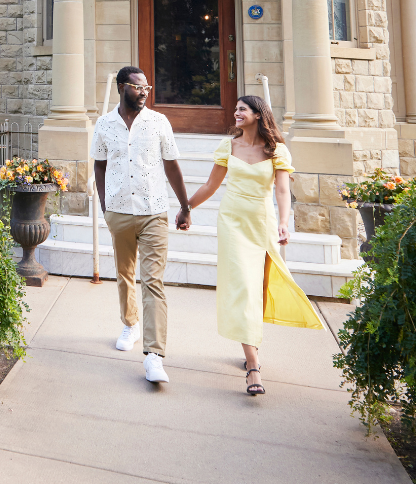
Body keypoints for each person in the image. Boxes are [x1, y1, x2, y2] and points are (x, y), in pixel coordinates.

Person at [176, 95, 323, 395]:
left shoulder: (276, 151)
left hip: (262, 223)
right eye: (236, 109)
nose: (236, 113)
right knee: (243, 286)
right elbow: (210, 186)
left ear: (258, 114)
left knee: (257, 288)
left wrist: (284, 221)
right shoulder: (228, 147)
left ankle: (250, 347)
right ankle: (253, 367)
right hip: (231, 222)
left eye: (242, 109)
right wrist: (186, 207)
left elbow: (282, 190)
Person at [91, 65, 190, 384]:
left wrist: (185, 205)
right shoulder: (105, 124)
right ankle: (130, 323)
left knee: (153, 282)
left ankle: (154, 356)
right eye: (138, 87)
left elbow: (172, 166)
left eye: (147, 87)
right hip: (119, 211)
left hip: (153, 211)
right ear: (122, 87)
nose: (145, 91)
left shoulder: (159, 122)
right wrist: (106, 207)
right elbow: (100, 165)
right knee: (124, 274)